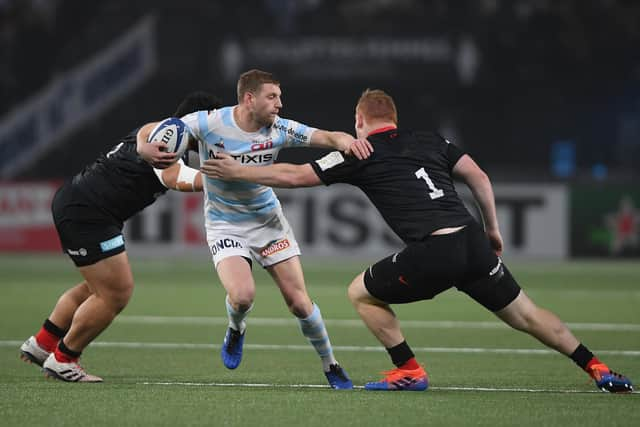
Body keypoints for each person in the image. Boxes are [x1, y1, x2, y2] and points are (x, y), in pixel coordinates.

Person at [200, 88, 634, 393]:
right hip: (471, 241)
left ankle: (407, 369)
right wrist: (494, 230)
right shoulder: (430, 139)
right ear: (394, 118)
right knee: (526, 314)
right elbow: (478, 176)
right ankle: (597, 368)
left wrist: (238, 171)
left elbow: (294, 175)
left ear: (359, 121)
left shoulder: (358, 151)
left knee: (361, 293)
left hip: (434, 251)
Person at [136, 70, 372, 389]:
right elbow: (153, 130)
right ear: (249, 98)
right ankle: (237, 328)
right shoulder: (208, 122)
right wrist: (143, 148)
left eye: (280, 96)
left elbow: (327, 137)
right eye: (272, 97)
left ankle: (331, 364)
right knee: (243, 296)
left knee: (299, 302)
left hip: (267, 221)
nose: (279, 104)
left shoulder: (279, 129)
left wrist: (347, 141)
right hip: (224, 223)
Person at [19, 92, 223, 382]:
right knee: (116, 293)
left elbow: (145, 133)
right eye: (217, 120)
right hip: (89, 213)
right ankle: (64, 359)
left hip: (80, 203)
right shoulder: (170, 142)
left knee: (97, 287)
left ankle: (43, 343)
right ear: (200, 122)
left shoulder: (162, 129)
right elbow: (177, 178)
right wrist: (235, 176)